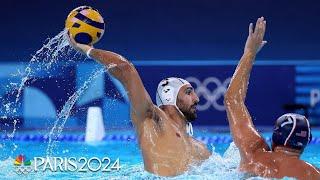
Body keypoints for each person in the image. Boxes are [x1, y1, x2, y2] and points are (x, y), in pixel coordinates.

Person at [67, 33, 211, 176]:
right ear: (169, 98)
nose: (197, 98)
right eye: (188, 92)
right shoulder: (152, 119)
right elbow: (125, 68)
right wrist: (88, 50)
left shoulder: (200, 149)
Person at [224, 17, 320, 179]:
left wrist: (250, 53)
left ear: (274, 137)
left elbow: (232, 99)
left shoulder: (253, 155)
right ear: (304, 144)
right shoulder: (313, 173)